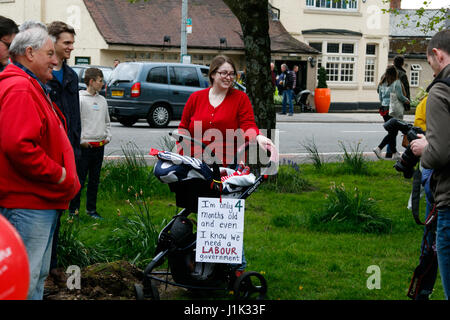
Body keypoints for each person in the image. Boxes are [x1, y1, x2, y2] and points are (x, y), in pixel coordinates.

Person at [0, 22, 80, 300]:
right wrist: (58, 174)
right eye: (50, 54)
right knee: (25, 279)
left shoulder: (28, 85)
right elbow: (18, 145)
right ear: (29, 53)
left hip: (37, 201)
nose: (56, 60)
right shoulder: (21, 89)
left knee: (35, 277)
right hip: (29, 202)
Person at [178, 55, 274, 276]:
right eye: (224, 73)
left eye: (232, 73)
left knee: (222, 215)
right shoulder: (196, 98)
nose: (228, 77)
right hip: (196, 164)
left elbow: (248, 125)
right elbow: (184, 127)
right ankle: (205, 263)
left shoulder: (240, 99)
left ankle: (235, 265)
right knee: (202, 210)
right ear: (212, 74)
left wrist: (258, 138)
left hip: (225, 166)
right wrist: (182, 150)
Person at [410, 29, 450, 300]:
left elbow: (439, 154)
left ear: (437, 55)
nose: (432, 71)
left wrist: (425, 148)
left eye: (430, 64)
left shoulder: (440, 91)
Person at [46, 20, 81, 282]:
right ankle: (43, 265)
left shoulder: (71, 76)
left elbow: (74, 116)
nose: (71, 47)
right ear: (53, 42)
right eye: (66, 42)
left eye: (72, 42)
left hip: (69, 151)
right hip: (49, 153)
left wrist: (75, 148)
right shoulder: (41, 76)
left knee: (57, 209)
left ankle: (52, 264)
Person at [69, 68, 111, 220]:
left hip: (99, 146)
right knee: (79, 180)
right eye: (100, 80)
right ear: (92, 82)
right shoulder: (80, 99)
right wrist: (81, 141)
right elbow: (75, 124)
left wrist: (108, 137)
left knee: (94, 180)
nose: (102, 83)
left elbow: (107, 122)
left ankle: (91, 210)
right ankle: (73, 211)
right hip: (85, 148)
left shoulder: (102, 100)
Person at [373, 65, 410, 160]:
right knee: (393, 133)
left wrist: (384, 103)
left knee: (392, 131)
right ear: (395, 73)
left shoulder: (382, 83)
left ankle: (394, 153)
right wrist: (407, 100)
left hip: (384, 110)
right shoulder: (396, 82)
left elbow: (380, 97)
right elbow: (400, 96)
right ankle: (379, 148)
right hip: (392, 110)